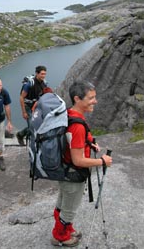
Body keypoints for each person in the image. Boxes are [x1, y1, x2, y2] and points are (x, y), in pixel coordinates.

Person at [51, 80, 112, 247]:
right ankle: (59, 236)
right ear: (77, 99)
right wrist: (102, 161)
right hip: (73, 173)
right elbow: (78, 160)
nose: (95, 101)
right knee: (69, 209)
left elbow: (71, 140)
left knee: (63, 202)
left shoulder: (70, 114)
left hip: (64, 169)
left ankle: (66, 228)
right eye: (91, 98)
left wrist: (89, 142)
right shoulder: (77, 126)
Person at [16, 65, 48, 146]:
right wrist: (24, 112)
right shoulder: (29, 84)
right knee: (32, 126)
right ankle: (31, 143)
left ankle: (20, 134)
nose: (43, 76)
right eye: (42, 74)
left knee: (36, 125)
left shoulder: (44, 83)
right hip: (27, 106)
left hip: (36, 106)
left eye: (45, 74)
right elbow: (21, 97)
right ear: (37, 74)